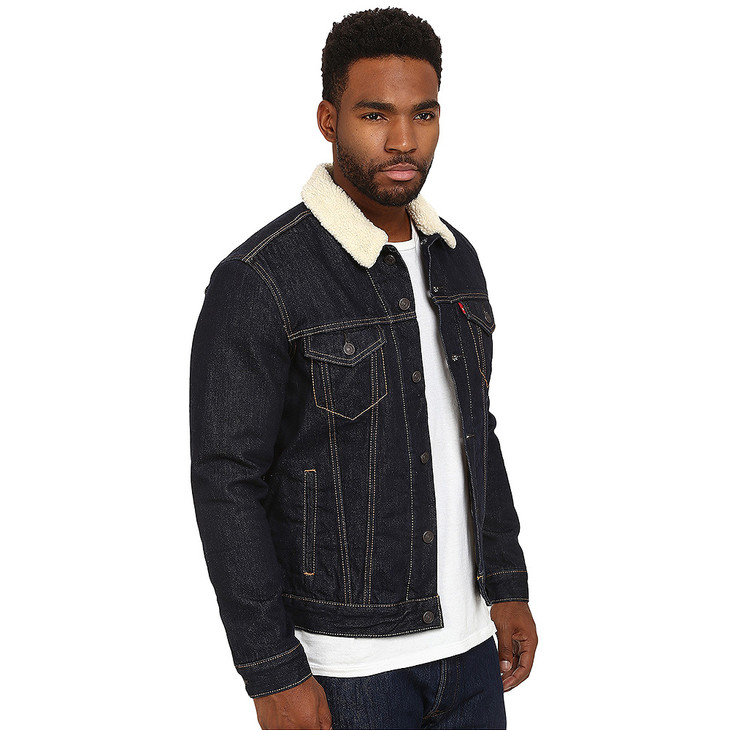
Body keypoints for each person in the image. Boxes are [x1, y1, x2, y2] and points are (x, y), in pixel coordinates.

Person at [189, 7, 538, 729]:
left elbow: (476, 428)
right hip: (349, 672)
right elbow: (227, 482)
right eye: (375, 114)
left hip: (471, 653)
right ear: (329, 119)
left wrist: (506, 583)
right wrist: (270, 670)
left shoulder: (457, 260)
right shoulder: (261, 279)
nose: (403, 140)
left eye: (424, 114)